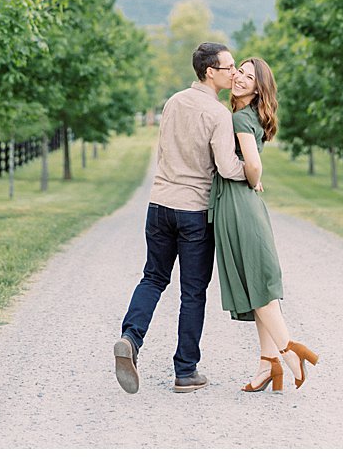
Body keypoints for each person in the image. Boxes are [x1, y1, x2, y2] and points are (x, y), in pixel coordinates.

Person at [114, 42, 248, 394]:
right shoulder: (218, 114)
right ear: (210, 72)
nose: (234, 72)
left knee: (153, 277)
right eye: (228, 67)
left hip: (159, 205)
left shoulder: (172, 102)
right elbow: (225, 166)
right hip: (193, 212)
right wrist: (251, 170)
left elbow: (162, 150)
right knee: (193, 293)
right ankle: (185, 371)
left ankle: (131, 337)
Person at [211, 56, 318, 393]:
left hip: (238, 205)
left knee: (259, 284)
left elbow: (254, 166)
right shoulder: (248, 115)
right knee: (260, 282)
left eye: (249, 76)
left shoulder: (241, 118)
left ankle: (289, 350)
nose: (240, 78)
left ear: (259, 89)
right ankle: (268, 364)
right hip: (246, 206)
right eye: (239, 72)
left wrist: (251, 176)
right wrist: (251, 177)